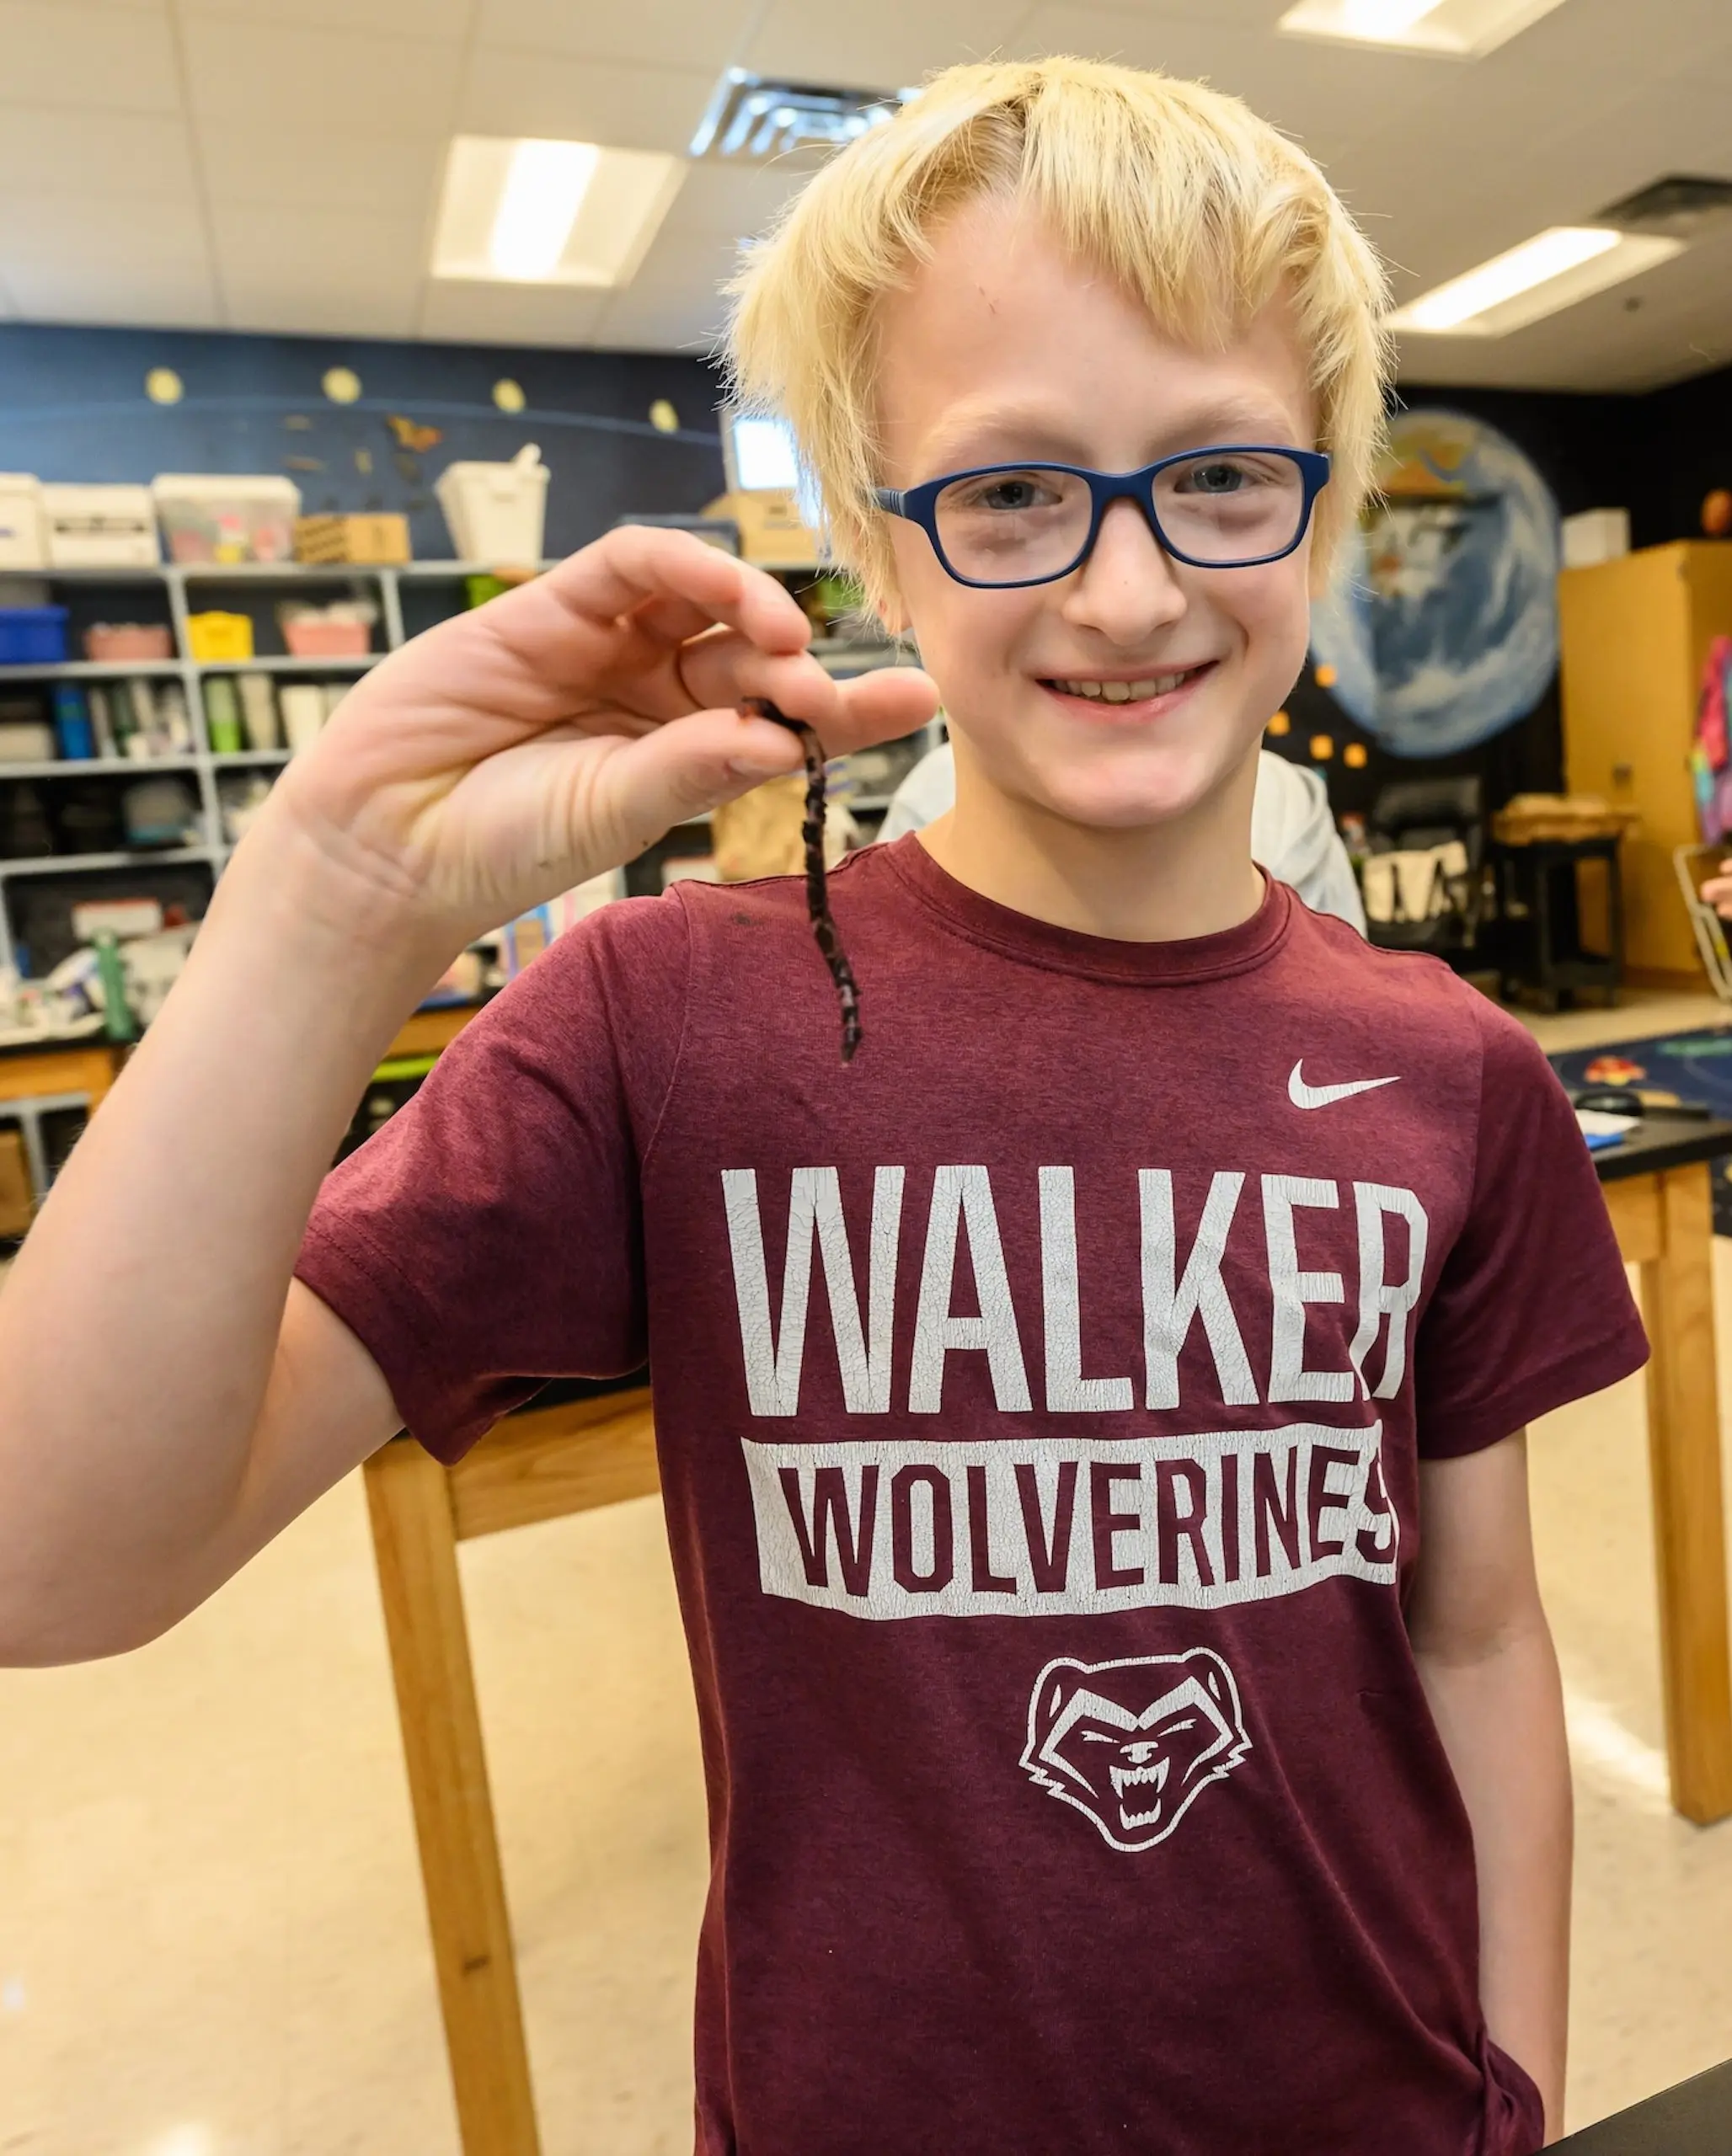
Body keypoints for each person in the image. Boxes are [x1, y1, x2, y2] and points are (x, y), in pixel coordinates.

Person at [0, 57, 1644, 2156]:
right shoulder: (666, 1023)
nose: (1127, 591)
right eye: (1012, 489)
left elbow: (1477, 1633)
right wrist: (330, 896)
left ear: (1318, 490)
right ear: (875, 526)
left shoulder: (1449, 1068)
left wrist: (1513, 2090)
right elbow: (50, 1563)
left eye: (1219, 476)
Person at [881, 735, 1368, 927]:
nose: (1127, 611)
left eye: (1217, 503)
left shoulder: (1287, 804)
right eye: (1010, 503)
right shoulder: (931, 794)